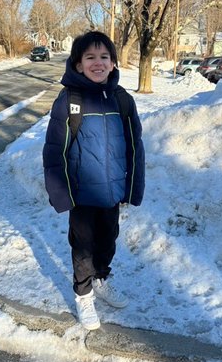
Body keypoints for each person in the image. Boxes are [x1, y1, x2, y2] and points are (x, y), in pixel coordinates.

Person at [42, 30, 145, 329]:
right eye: (90, 57)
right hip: (81, 196)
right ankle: (83, 295)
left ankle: (101, 279)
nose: (97, 63)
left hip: (112, 193)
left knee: (108, 241)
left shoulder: (122, 100)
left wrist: (132, 187)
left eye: (104, 57)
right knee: (83, 248)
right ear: (77, 64)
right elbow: (54, 151)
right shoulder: (69, 101)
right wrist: (61, 194)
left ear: (113, 63)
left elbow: (135, 147)